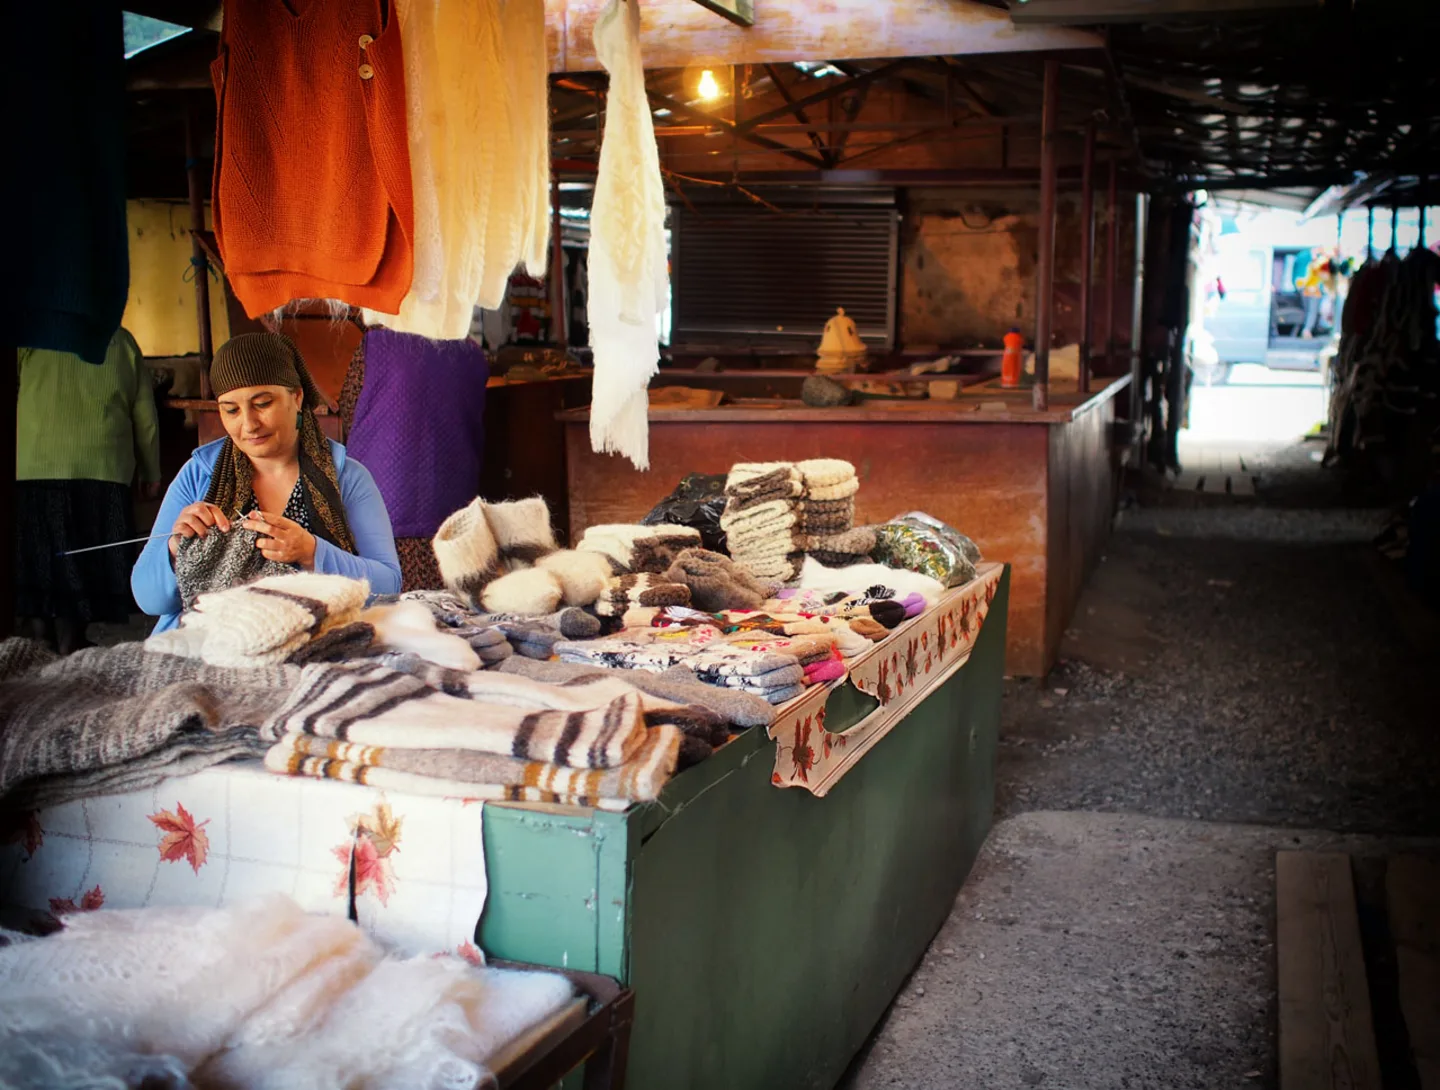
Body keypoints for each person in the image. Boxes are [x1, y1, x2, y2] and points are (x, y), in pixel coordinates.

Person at [132, 332, 401, 632]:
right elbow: (148, 600)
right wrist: (175, 549)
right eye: (230, 409)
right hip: (207, 648)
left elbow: (389, 586)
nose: (248, 424)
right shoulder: (199, 476)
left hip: (312, 647)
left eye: (262, 403)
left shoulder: (347, 478)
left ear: (297, 397)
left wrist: (312, 553)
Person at [15, 327, 161, 654]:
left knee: (40, 559)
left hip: (35, 468)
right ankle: (73, 639)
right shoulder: (122, 341)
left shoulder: (33, 335)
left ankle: (42, 640)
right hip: (103, 469)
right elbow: (144, 415)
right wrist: (151, 470)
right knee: (87, 558)